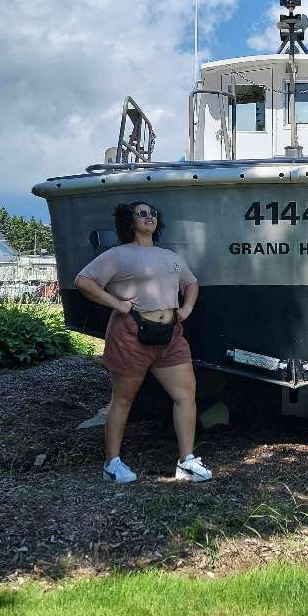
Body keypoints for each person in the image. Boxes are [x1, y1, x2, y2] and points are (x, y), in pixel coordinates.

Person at [74, 201, 212, 485]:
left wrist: (184, 310)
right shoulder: (117, 255)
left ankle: (186, 462)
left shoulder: (169, 256)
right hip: (131, 334)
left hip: (170, 336)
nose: (149, 217)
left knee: (185, 394)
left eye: (153, 214)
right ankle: (112, 464)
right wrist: (116, 304)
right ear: (130, 221)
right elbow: (84, 281)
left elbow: (192, 283)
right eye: (142, 213)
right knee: (123, 399)